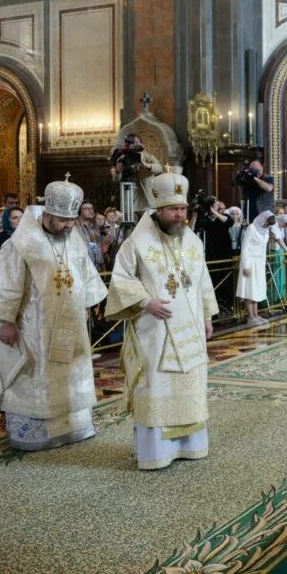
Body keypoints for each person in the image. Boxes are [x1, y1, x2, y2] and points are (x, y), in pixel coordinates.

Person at [0, 176, 107, 450]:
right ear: (47, 214)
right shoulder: (21, 243)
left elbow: (85, 274)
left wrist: (88, 304)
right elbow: (9, 283)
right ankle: (33, 434)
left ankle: (74, 426)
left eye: (71, 219)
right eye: (62, 219)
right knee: (36, 375)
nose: (68, 225)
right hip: (34, 325)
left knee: (70, 373)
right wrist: (6, 322)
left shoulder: (73, 239)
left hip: (70, 322)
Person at [104, 172, 218, 470]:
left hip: (190, 330)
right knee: (156, 387)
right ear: (158, 210)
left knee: (190, 385)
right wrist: (146, 301)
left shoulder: (191, 240)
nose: (179, 215)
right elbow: (120, 279)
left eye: (183, 209)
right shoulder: (137, 242)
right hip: (155, 331)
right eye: (173, 209)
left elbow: (202, 279)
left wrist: (206, 315)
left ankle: (189, 446)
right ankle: (156, 453)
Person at [237, 211, 273, 326]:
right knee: (249, 289)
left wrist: (263, 264)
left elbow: (263, 248)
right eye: (267, 223)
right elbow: (244, 249)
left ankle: (256, 315)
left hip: (259, 263)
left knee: (256, 289)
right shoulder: (251, 228)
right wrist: (245, 266)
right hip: (249, 262)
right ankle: (250, 317)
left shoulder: (266, 230)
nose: (267, 226)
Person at [77, 201, 105, 272]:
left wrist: (102, 264)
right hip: (81, 268)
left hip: (96, 267)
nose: (90, 211)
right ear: (79, 211)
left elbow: (97, 247)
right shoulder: (75, 226)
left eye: (91, 208)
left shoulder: (95, 227)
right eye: (86, 209)